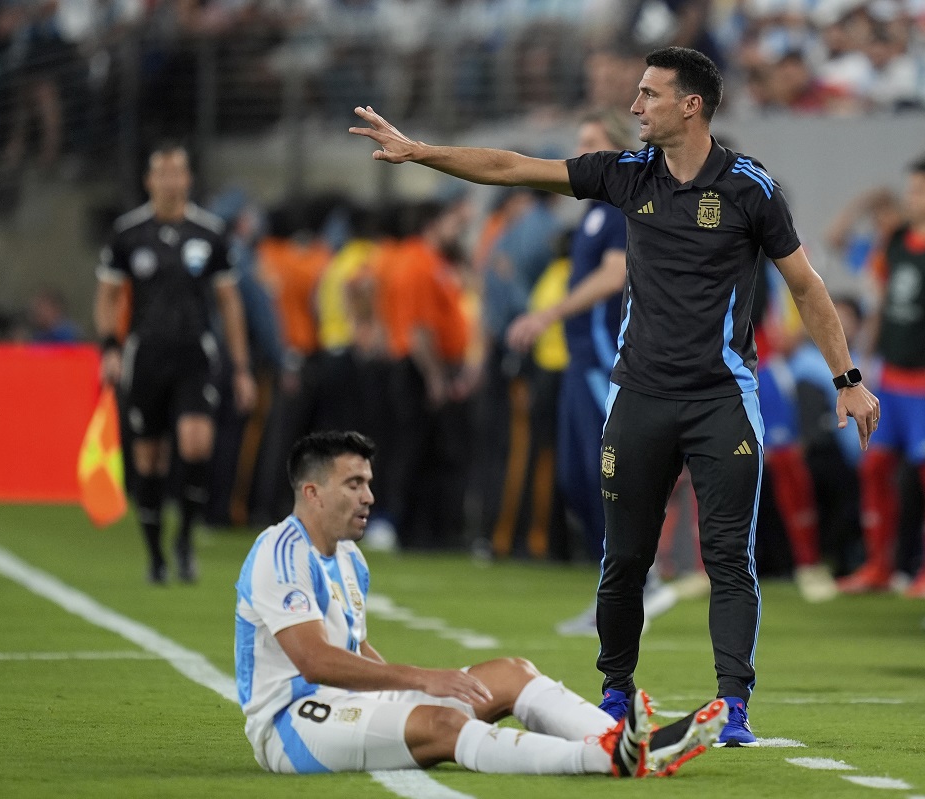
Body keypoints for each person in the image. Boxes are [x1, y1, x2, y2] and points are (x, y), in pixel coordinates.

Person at [349, 45, 879, 747]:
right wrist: (420, 153)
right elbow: (511, 167)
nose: (635, 107)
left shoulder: (751, 188)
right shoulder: (627, 175)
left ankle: (734, 706)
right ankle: (616, 693)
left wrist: (848, 379)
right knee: (624, 557)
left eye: (650, 95)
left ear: (691, 104)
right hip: (639, 398)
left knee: (728, 557)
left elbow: (807, 287)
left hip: (723, 400)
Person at [233, 430, 727, 777]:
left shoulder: (347, 556)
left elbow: (353, 645)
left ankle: (637, 742)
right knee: (445, 723)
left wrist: (398, 693)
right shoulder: (279, 553)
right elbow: (314, 660)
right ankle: (605, 758)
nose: (369, 496)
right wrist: (420, 680)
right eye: (354, 484)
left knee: (511, 672)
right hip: (293, 723)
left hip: (347, 703)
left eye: (368, 482)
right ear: (313, 492)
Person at [94, 142, 256, 584]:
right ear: (149, 181)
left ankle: (185, 539)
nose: (170, 180)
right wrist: (110, 345)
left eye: (177, 171)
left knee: (196, 445)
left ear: (188, 179)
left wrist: (241, 368)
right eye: (161, 172)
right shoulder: (128, 233)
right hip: (146, 355)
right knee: (149, 459)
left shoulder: (209, 233)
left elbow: (230, 303)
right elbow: (108, 296)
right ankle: (155, 556)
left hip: (194, 356)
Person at [507, 109, 634, 562]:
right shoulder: (593, 213)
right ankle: (616, 582)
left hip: (604, 357)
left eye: (589, 142)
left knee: (607, 471)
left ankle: (633, 579)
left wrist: (547, 316)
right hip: (578, 357)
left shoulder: (621, 207)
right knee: (575, 475)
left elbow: (615, 274)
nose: (578, 153)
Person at [838, 149, 925, 600]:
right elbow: (881, 303)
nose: (912, 197)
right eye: (909, 188)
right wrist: (863, 365)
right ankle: (879, 566)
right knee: (873, 466)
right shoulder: (897, 239)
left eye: (921, 189)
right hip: (888, 374)